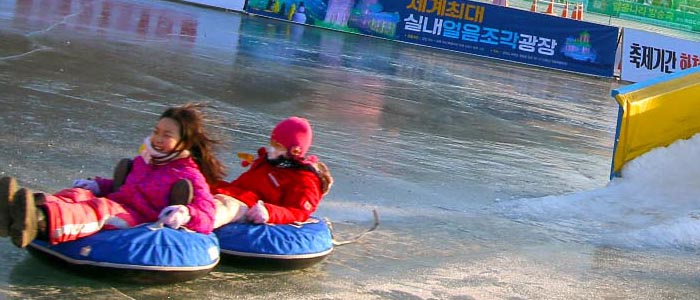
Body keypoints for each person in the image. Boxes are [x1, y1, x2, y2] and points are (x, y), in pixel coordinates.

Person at [0, 103, 226, 248]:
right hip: (119, 203)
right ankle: (18, 209)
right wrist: (98, 186)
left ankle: (39, 220)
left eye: (166, 134)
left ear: (185, 142)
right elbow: (126, 187)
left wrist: (186, 213)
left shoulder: (189, 174)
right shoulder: (146, 160)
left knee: (100, 210)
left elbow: (207, 216)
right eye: (156, 131)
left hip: (139, 219)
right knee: (79, 195)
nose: (158, 138)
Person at [211, 116, 333, 228]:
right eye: (272, 143)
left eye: (278, 146)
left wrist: (269, 212)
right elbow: (241, 186)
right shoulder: (267, 163)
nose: (271, 149)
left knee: (227, 207)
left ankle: (200, 224)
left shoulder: (304, 179)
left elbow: (299, 212)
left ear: (294, 150)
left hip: (250, 208)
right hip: (238, 196)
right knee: (201, 186)